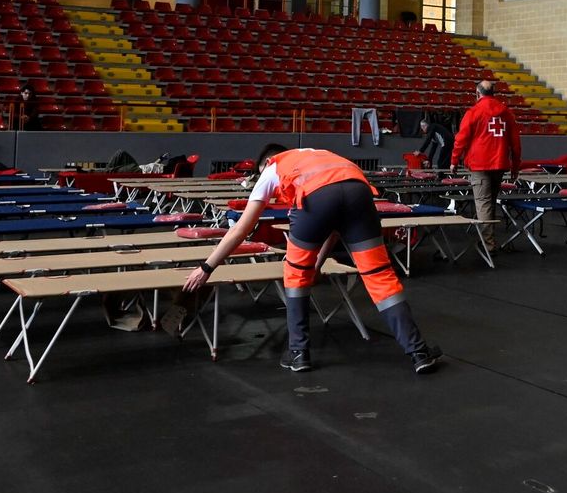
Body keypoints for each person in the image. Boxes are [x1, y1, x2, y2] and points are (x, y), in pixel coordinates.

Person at [181, 147, 442, 375]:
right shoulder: (321, 157)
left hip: (316, 197)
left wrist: (206, 267)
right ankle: (419, 353)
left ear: (268, 162)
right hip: (358, 191)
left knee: (295, 276)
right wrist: (316, 265)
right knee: (380, 275)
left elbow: (240, 229)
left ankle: (298, 353)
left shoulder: (272, 169)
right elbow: (336, 226)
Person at [451, 80, 521, 252]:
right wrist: (515, 167)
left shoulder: (474, 112)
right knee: (490, 202)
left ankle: (487, 245)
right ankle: (488, 240)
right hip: (500, 164)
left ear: (477, 93)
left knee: (483, 203)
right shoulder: (506, 113)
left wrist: (454, 161)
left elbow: (461, 139)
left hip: (479, 165)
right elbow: (516, 143)